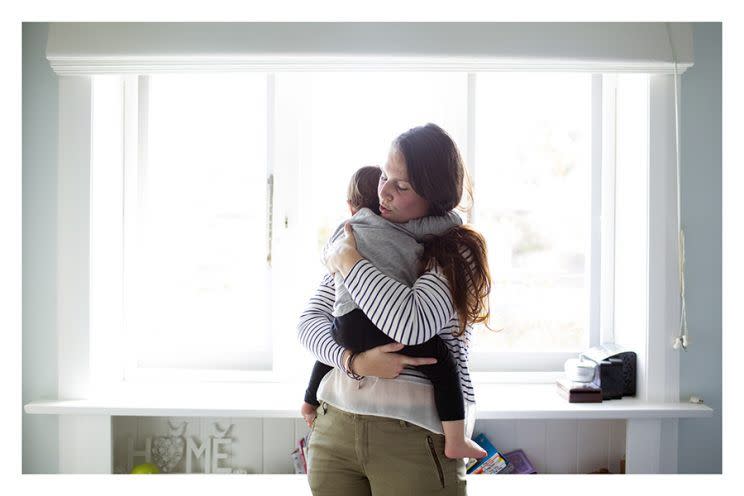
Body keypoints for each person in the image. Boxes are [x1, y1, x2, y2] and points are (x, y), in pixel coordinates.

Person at [297, 123, 491, 495]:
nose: (383, 191)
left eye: (402, 186)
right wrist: (353, 361)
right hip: (335, 423)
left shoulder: (454, 249)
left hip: (414, 437)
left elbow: (412, 324)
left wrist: (350, 261)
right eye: (385, 175)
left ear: (435, 197)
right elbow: (310, 323)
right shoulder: (363, 233)